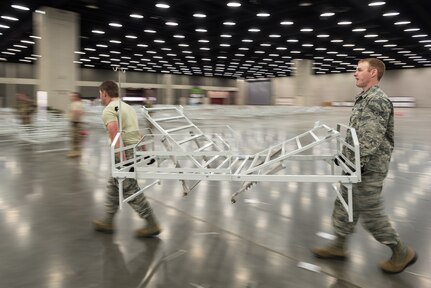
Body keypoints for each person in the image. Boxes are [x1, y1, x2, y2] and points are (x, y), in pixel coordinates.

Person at [312, 58, 417, 273]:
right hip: (355, 165)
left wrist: (355, 165)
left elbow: (369, 140)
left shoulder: (377, 100)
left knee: (371, 213)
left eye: (359, 70)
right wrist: (346, 159)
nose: (355, 73)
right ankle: (339, 246)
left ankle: (401, 252)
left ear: (373, 73)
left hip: (369, 167)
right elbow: (356, 136)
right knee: (344, 204)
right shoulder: (364, 98)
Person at [93, 80, 161, 238]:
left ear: (105, 93)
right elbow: (136, 132)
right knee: (114, 186)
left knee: (129, 188)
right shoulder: (128, 107)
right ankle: (108, 220)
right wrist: (143, 150)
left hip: (123, 153)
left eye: (100, 95)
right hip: (132, 149)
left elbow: (115, 133)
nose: (100, 98)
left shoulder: (109, 110)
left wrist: (123, 161)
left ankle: (152, 223)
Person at [67, 92, 84, 158]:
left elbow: (76, 112)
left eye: (73, 96)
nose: (71, 97)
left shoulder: (76, 104)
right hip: (76, 122)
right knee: (75, 137)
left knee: (75, 137)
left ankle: (76, 151)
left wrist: (74, 121)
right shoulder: (79, 103)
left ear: (77, 97)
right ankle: (76, 150)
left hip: (75, 122)